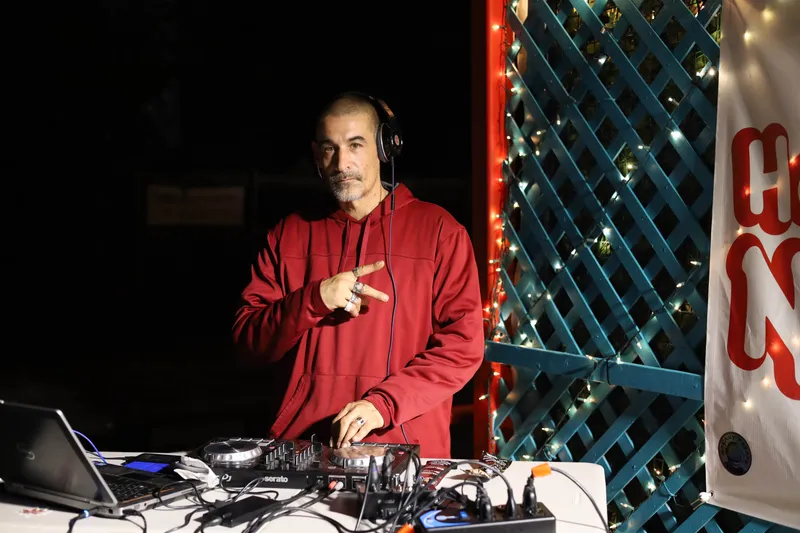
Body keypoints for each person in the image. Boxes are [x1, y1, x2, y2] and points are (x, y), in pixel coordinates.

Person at [232, 92, 484, 458]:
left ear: (384, 148)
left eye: (355, 145)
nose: (341, 162)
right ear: (317, 154)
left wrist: (383, 405)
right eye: (330, 148)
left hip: (405, 453)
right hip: (301, 449)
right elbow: (248, 343)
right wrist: (313, 300)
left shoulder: (441, 232)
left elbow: (462, 348)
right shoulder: (288, 235)